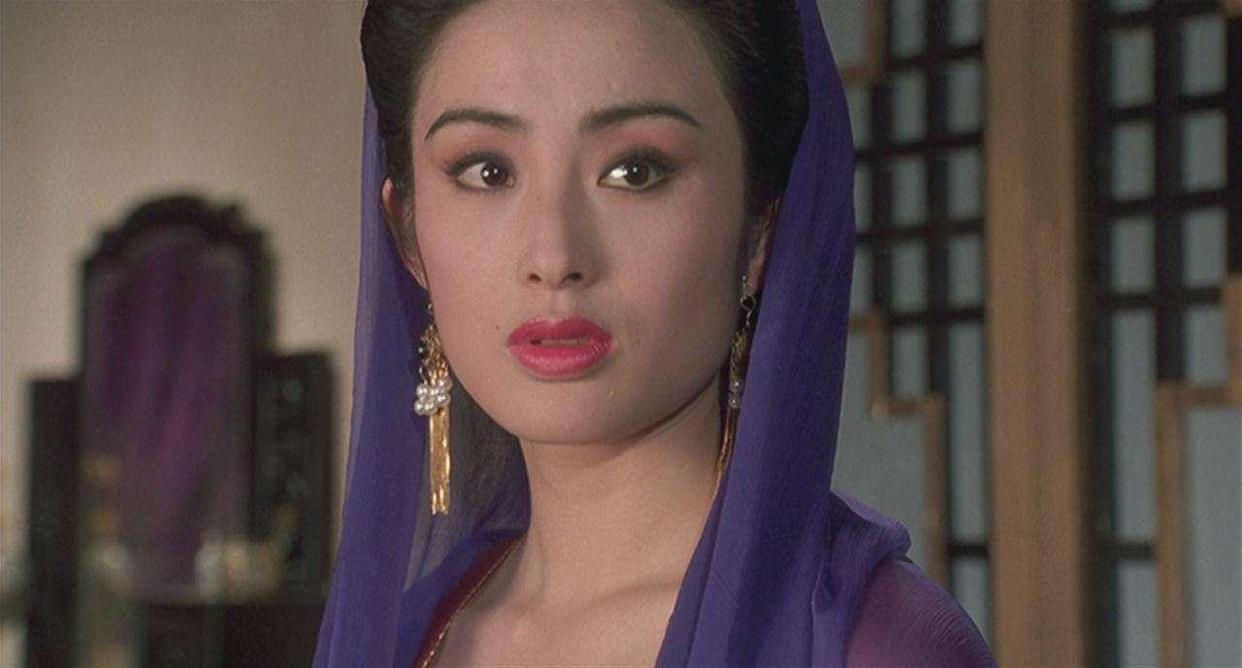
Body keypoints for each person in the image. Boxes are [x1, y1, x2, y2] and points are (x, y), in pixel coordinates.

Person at [315, 1, 996, 666]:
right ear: (407, 232)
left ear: (760, 228)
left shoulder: (879, 645)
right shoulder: (417, 633)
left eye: (634, 171)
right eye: (488, 171)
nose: (554, 255)